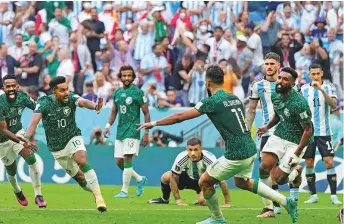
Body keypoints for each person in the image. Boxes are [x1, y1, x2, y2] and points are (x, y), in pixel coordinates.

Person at [137, 65, 298, 224]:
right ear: (222, 80)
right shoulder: (234, 98)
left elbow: (180, 116)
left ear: (207, 83)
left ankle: (217, 219)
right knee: (242, 182)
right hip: (250, 147)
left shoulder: (211, 101)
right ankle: (285, 201)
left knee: (204, 182)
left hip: (237, 152)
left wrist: (155, 123)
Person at [25, 76, 106, 212]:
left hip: (72, 136)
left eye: (67, 89)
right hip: (57, 148)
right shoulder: (44, 102)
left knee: (81, 159)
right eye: (62, 90)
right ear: (54, 92)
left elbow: (83, 102)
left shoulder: (71, 98)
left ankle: (99, 197)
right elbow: (34, 122)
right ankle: (93, 192)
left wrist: (95, 106)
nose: (66, 92)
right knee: (81, 178)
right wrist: (27, 138)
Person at [257, 67, 314, 221]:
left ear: (292, 83)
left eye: (285, 79)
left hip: (296, 142)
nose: (280, 81)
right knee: (263, 168)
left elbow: (308, 130)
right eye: (280, 77)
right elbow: (278, 113)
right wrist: (267, 127)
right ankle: (268, 208)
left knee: (280, 179)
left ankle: (296, 172)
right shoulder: (276, 94)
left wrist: (297, 153)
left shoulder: (299, 103)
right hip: (279, 135)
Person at [103, 65, 150, 198]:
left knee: (127, 158)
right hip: (120, 131)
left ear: (133, 77)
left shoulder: (138, 92)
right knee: (119, 161)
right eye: (124, 75)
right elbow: (114, 112)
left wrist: (146, 133)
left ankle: (124, 191)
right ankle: (140, 179)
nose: (127, 78)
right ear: (120, 77)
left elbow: (146, 113)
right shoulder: (117, 93)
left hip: (133, 130)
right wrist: (107, 126)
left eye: (129, 75)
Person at [0, 74, 45, 208]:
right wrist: (23, 141)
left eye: (14, 86)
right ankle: (17, 190)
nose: (11, 88)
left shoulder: (22, 97)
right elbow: (4, 130)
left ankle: (38, 195)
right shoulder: (0, 103)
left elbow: (38, 108)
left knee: (31, 159)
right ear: (4, 88)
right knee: (11, 170)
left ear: (18, 87)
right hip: (2, 140)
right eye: (8, 86)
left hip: (18, 132)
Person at [247, 52, 283, 216]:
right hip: (268, 132)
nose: (268, 67)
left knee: (283, 174)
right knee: (265, 169)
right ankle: (271, 206)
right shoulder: (257, 85)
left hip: (287, 132)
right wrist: (247, 131)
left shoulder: (288, 82)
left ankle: (296, 175)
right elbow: (252, 109)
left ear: (278, 66)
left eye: (272, 64)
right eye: (266, 64)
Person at [148, 137, 231, 208]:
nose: (193, 153)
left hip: (204, 182)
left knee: (202, 201)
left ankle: (201, 198)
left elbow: (221, 180)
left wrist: (227, 202)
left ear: (201, 149)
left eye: (195, 150)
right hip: (188, 178)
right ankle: (164, 199)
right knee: (166, 176)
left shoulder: (210, 159)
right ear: (186, 149)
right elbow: (173, 177)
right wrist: (178, 200)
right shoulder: (181, 157)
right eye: (190, 150)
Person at [300, 64, 341, 204]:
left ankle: (333, 195)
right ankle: (313, 195)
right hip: (309, 132)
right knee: (309, 162)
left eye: (318, 73)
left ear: (322, 73)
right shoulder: (304, 89)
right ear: (309, 74)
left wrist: (322, 90)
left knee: (329, 162)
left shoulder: (330, 87)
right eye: (313, 74)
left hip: (324, 132)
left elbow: (333, 105)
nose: (316, 76)